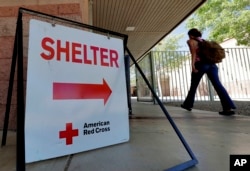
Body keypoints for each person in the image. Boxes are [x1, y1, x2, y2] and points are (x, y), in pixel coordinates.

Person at [181, 28, 236, 115]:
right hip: (212, 65)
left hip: (201, 65)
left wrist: (193, 66)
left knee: (194, 85)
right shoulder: (204, 41)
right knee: (218, 85)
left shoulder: (191, 41)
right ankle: (228, 108)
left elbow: (194, 53)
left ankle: (188, 105)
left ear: (191, 35)